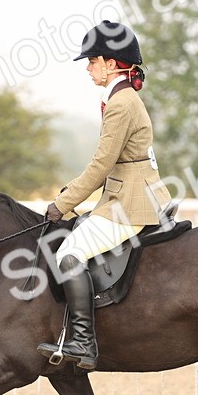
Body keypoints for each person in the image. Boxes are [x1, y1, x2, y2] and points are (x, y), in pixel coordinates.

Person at [37, 21, 172, 370]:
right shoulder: (118, 97)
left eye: (93, 60)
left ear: (112, 63)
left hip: (131, 202)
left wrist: (62, 203)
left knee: (70, 254)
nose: (88, 67)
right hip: (124, 194)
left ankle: (83, 342)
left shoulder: (122, 103)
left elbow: (101, 165)